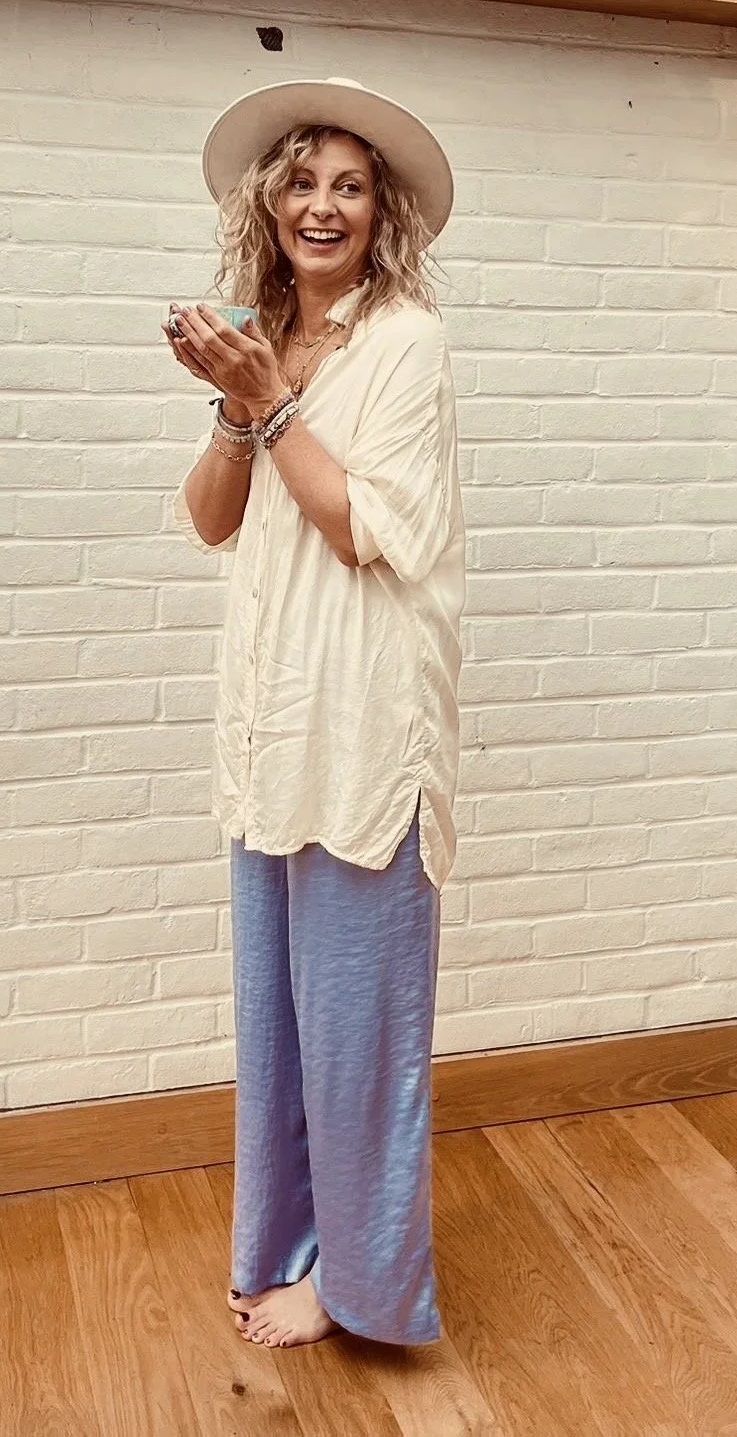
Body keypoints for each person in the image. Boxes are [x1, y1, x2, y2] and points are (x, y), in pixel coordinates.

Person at [165, 76, 464, 1351]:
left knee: (357, 1036)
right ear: (268, 202)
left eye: (349, 186)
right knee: (282, 1026)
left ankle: (363, 1291)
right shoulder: (262, 335)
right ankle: (289, 1250)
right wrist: (241, 397)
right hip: (271, 725)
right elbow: (211, 519)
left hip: (360, 733)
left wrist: (270, 401)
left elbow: (355, 527)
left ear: (379, 214)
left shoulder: (405, 344)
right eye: (301, 181)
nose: (322, 205)